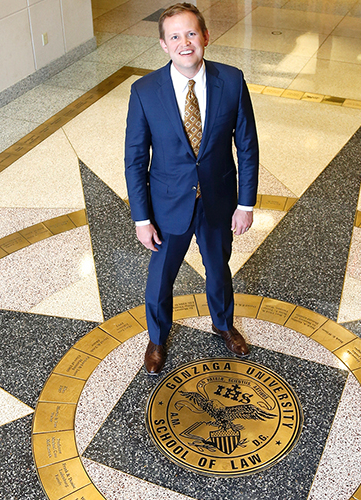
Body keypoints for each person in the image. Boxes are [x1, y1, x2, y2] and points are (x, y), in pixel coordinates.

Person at [124, 3, 259, 375]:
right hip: (168, 204)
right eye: (174, 36)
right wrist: (142, 218)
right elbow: (135, 159)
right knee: (161, 275)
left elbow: (247, 146)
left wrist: (245, 204)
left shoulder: (231, 80)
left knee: (218, 267)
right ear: (164, 45)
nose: (184, 42)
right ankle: (157, 338)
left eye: (191, 33)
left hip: (218, 199)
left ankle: (223, 323)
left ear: (205, 37)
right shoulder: (144, 91)